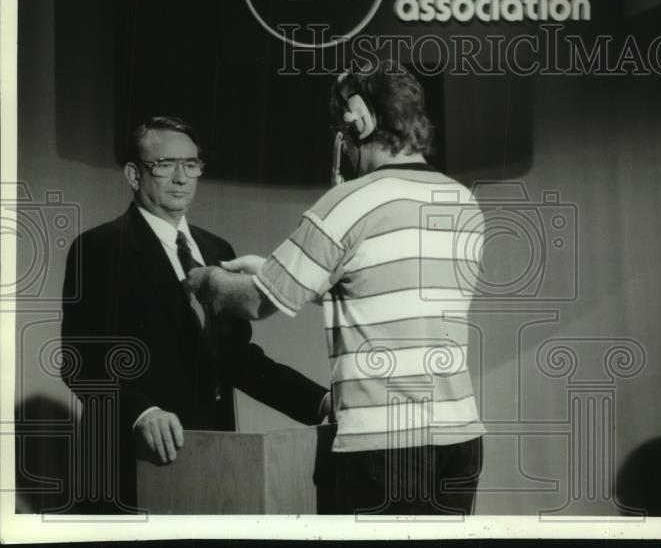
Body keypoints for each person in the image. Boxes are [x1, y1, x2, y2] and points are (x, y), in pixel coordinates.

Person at [189, 61, 486, 515]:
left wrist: (209, 280)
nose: (342, 145)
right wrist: (274, 268)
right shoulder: (462, 201)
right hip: (460, 439)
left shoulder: (348, 202)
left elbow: (253, 303)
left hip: (384, 444)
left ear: (359, 119)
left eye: (340, 128)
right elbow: (377, 291)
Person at [61, 116, 330, 513]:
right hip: (131, 462)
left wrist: (319, 401)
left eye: (191, 164)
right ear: (134, 175)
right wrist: (141, 411)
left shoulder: (215, 247)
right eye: (165, 165)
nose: (181, 177)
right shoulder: (99, 248)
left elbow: (238, 359)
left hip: (214, 463)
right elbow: (80, 359)